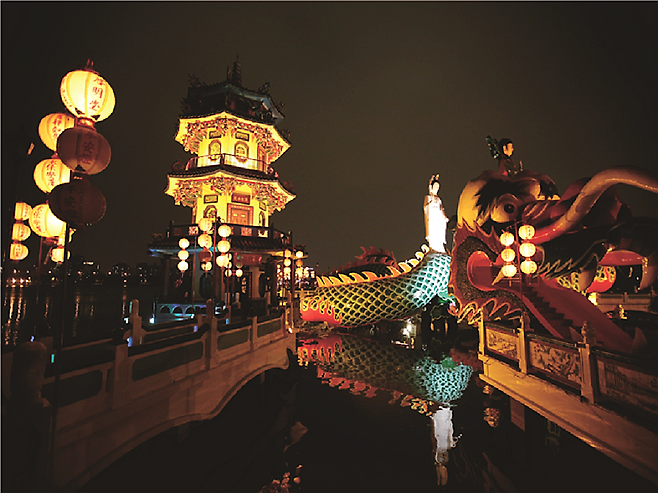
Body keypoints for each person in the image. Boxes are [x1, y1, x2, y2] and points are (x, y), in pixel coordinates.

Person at [424, 174, 449, 253]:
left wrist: (445, 217)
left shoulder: (438, 199)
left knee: (439, 232)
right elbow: (426, 208)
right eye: (435, 187)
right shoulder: (428, 197)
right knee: (433, 232)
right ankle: (433, 247)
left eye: (437, 187)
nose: (436, 189)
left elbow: (442, 209)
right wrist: (431, 202)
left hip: (439, 218)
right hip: (432, 217)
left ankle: (440, 247)